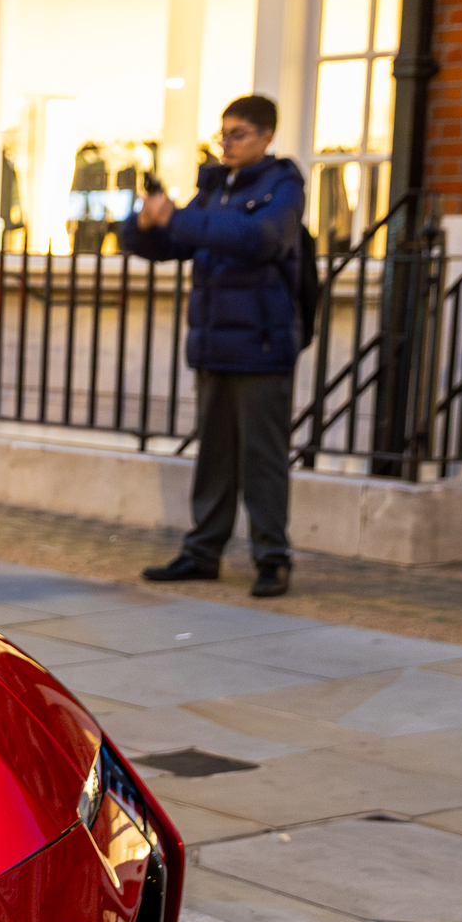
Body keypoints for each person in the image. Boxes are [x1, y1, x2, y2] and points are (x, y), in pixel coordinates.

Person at [119, 94, 307, 598]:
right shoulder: (212, 191)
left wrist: (176, 217)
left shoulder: (283, 187)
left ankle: (273, 557)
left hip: (263, 348)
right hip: (212, 345)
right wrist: (143, 224)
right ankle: (203, 551)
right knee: (214, 457)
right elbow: (167, 246)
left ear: (266, 136)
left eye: (238, 134)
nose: (227, 143)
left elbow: (258, 238)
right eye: (223, 134)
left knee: (263, 458)